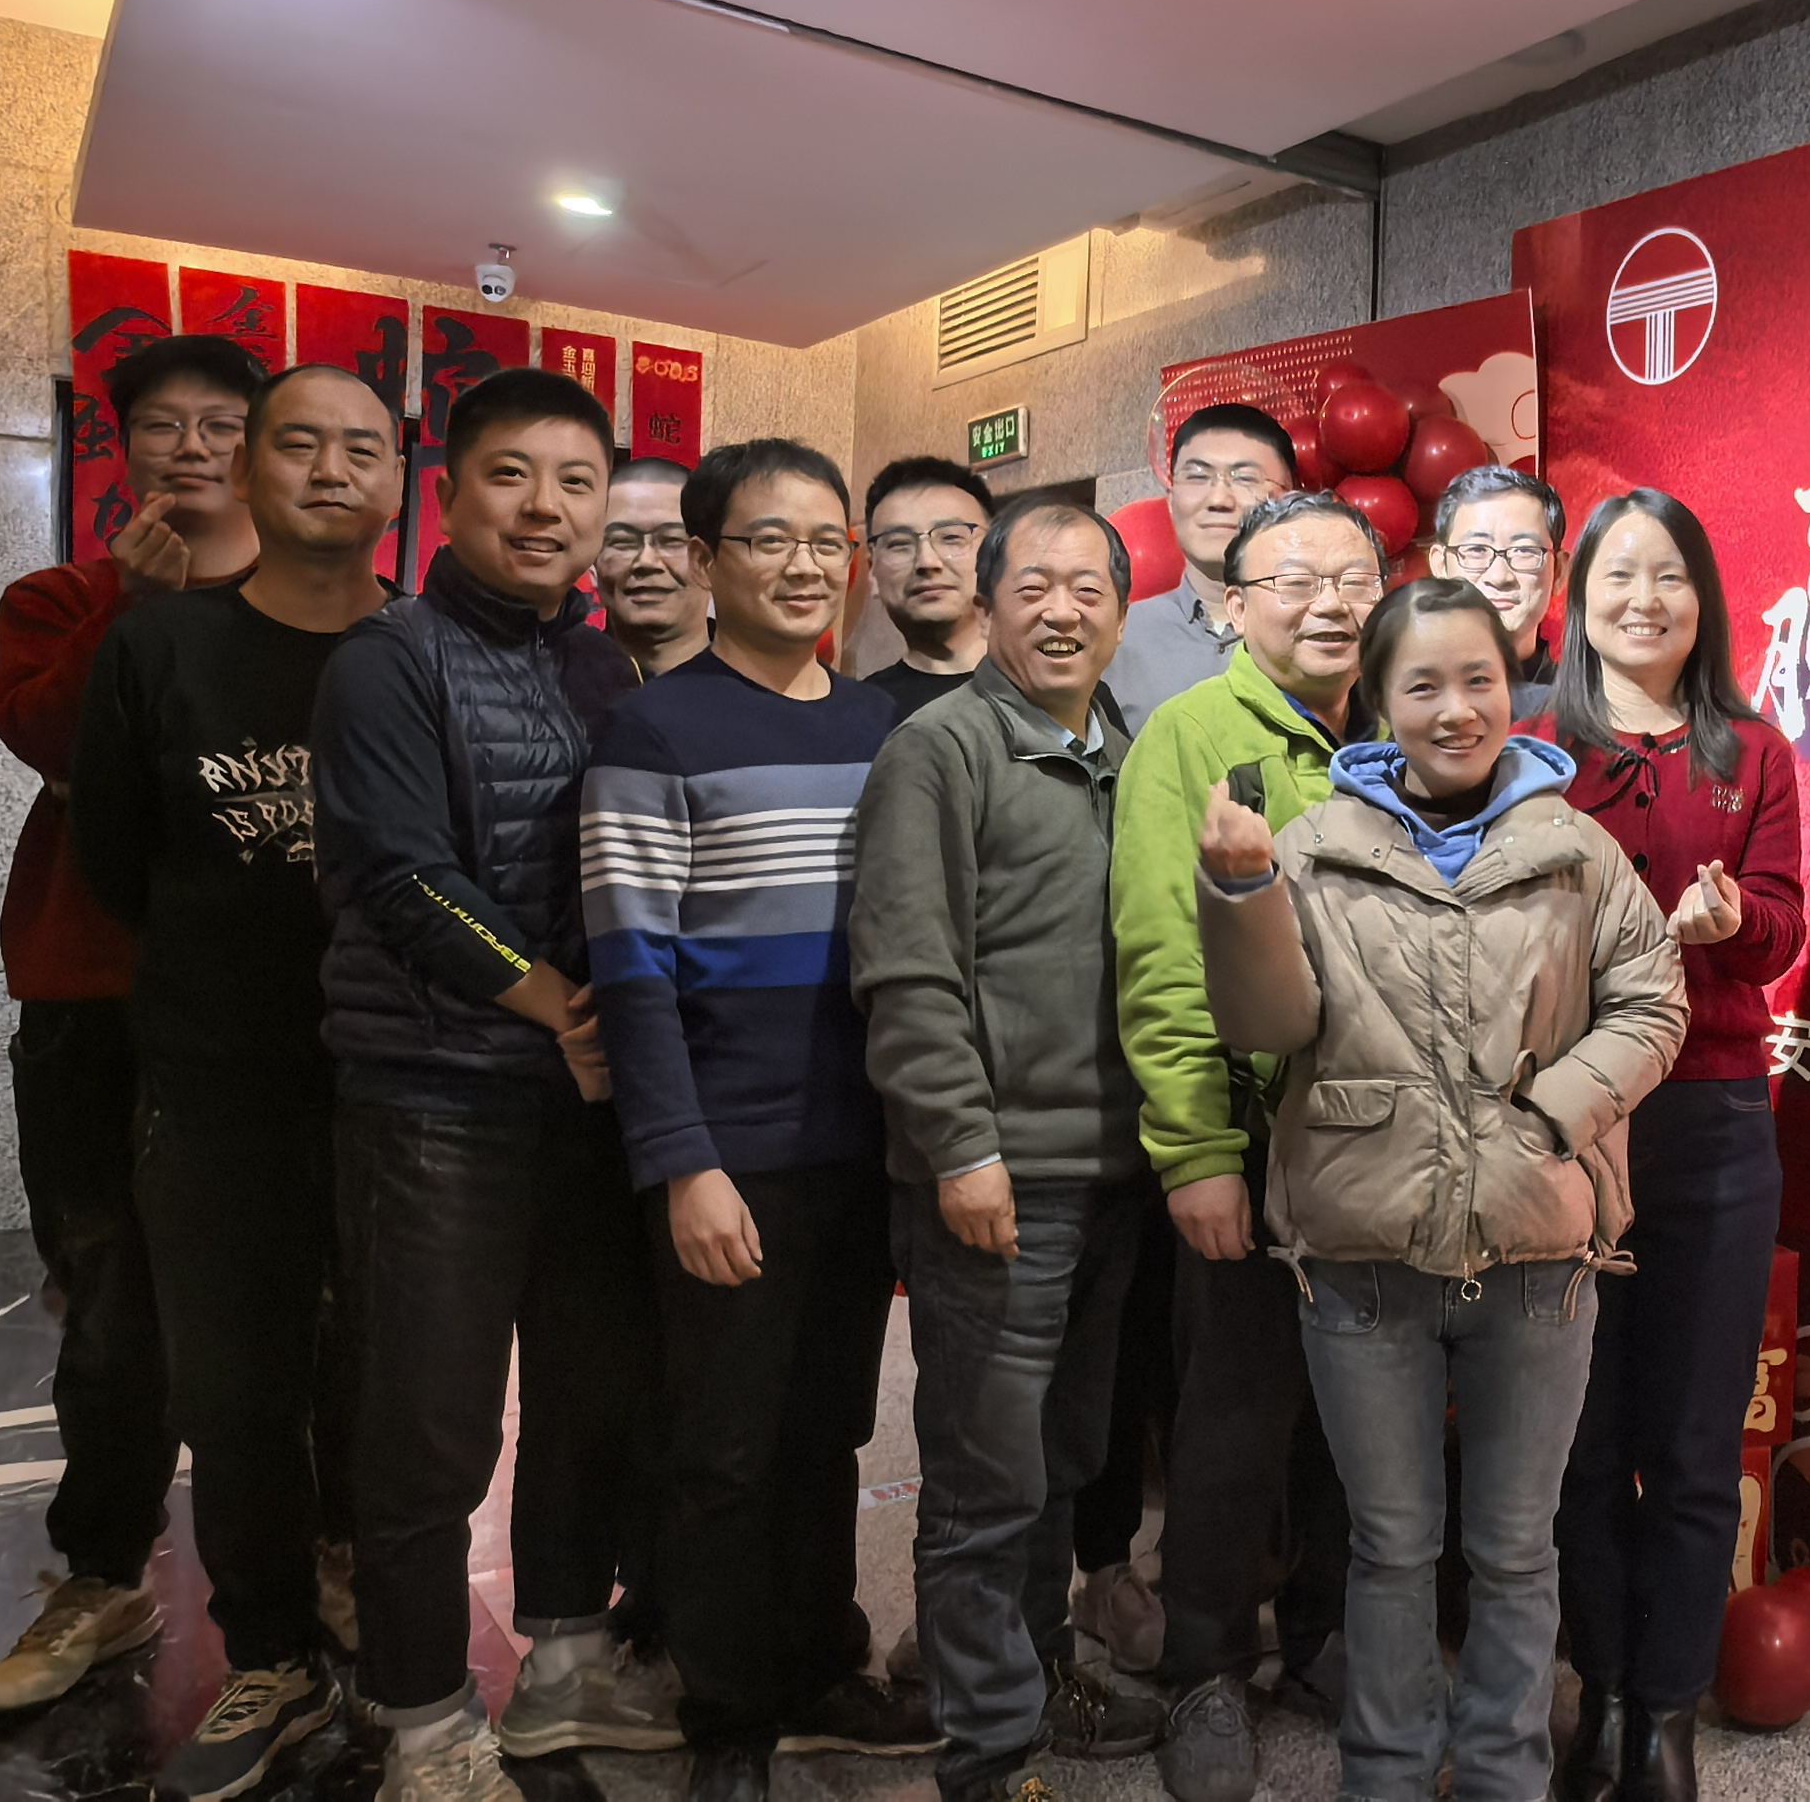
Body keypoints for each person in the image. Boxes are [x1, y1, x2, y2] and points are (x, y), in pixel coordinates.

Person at [1190, 571, 1686, 1802]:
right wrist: (1240, 894)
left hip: (1537, 1253)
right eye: (1422, 685)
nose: (1454, 708)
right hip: (1359, 1252)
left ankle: (1505, 1777)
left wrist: (1554, 1114)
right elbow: (1266, 1025)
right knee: (1391, 1545)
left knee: (1515, 1550)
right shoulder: (1309, 850)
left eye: (1478, 680)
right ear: (1378, 699)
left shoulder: (1576, 850)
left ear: (1512, 691)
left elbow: (1651, 1001)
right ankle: (1387, 1776)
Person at [312, 368, 672, 1799]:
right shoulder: (386, 658)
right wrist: (561, 1011)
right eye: (511, 475)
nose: (545, 507)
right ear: (448, 493)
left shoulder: (602, 668)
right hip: (435, 1099)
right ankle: (422, 1720)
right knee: (429, 1424)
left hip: (581, 1104)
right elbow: (398, 876)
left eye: (576, 482)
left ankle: (566, 1667)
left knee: (588, 1397)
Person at [580, 438, 935, 1798]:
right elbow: (631, 965)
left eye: (824, 541)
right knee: (723, 1444)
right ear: (707, 558)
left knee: (826, 1428)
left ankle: (819, 1661)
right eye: (767, 539)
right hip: (731, 1155)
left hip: (860, 1145)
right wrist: (682, 1164)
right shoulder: (655, 732)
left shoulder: (878, 727)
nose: (802, 565)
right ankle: (726, 1711)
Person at [65, 362, 400, 1796]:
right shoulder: (162, 645)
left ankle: (380, 1606)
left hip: (401, 1080)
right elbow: (114, 857)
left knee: (392, 1371)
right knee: (237, 1382)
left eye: (362, 449)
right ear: (252, 469)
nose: (331, 470)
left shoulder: (422, 647)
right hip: (215, 1076)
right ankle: (267, 1653)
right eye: (300, 444)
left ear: (399, 481)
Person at [0, 332, 264, 1717]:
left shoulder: (315, 607)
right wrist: (126, 617)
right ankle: (102, 1571)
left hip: (268, 1004)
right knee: (106, 1298)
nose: (192, 447)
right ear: (120, 444)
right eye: (163, 425)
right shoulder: (62, 597)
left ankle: (319, 1556)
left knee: (308, 1294)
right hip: (93, 1002)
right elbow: (44, 740)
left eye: (222, 424)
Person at [851, 501, 1160, 1802]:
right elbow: (907, 971)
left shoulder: (1132, 751)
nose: (1062, 610)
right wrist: (960, 1148)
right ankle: (987, 1754)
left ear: (1121, 611)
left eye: (1088, 587)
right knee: (983, 1481)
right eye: (1033, 586)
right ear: (989, 605)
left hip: (1116, 1175)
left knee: (1062, 1462)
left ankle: (1035, 1681)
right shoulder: (941, 749)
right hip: (997, 1182)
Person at [1108, 490, 1380, 1792]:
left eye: (1352, 579)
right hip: (1254, 1146)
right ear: (1232, 604)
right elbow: (1165, 960)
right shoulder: (1192, 735)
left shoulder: (1398, 728)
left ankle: (1321, 1638)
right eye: (1293, 581)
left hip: (1377, 1157)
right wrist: (1198, 1155)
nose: (1328, 603)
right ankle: (1204, 1669)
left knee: (1356, 1422)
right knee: (1228, 1423)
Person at [1537, 491, 1805, 1802]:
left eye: (1670, 578)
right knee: (1579, 1443)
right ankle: (1597, 1692)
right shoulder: (1532, 744)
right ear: (1578, 599)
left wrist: (1730, 921)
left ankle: (1664, 1715)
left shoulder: (1751, 751)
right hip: (1566, 1119)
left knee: (1695, 1447)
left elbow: (1782, 926)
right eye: (1618, 576)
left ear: (1704, 600)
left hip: (1710, 1123)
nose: (1643, 600)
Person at [1105, 404, 1294, 719]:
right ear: (1171, 500)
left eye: (1245, 478)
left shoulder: (1315, 630)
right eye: (1197, 476)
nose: (1218, 500)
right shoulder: (1113, 639)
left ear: (1287, 501)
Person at [1420, 464, 1564, 721]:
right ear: (1440, 565)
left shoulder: (1588, 708)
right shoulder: (1399, 700)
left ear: (1560, 571)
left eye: (1524, 551)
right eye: (1476, 550)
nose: (1500, 577)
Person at [860, 454, 993, 713]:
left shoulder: (1055, 694)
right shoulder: (860, 714)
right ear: (872, 571)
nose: (926, 562)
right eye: (899, 544)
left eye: (951, 538)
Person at [600, 455, 709, 677]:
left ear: (710, 558)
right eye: (622, 541)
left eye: (672, 540)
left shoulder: (765, 683)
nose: (646, 562)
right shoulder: (553, 683)